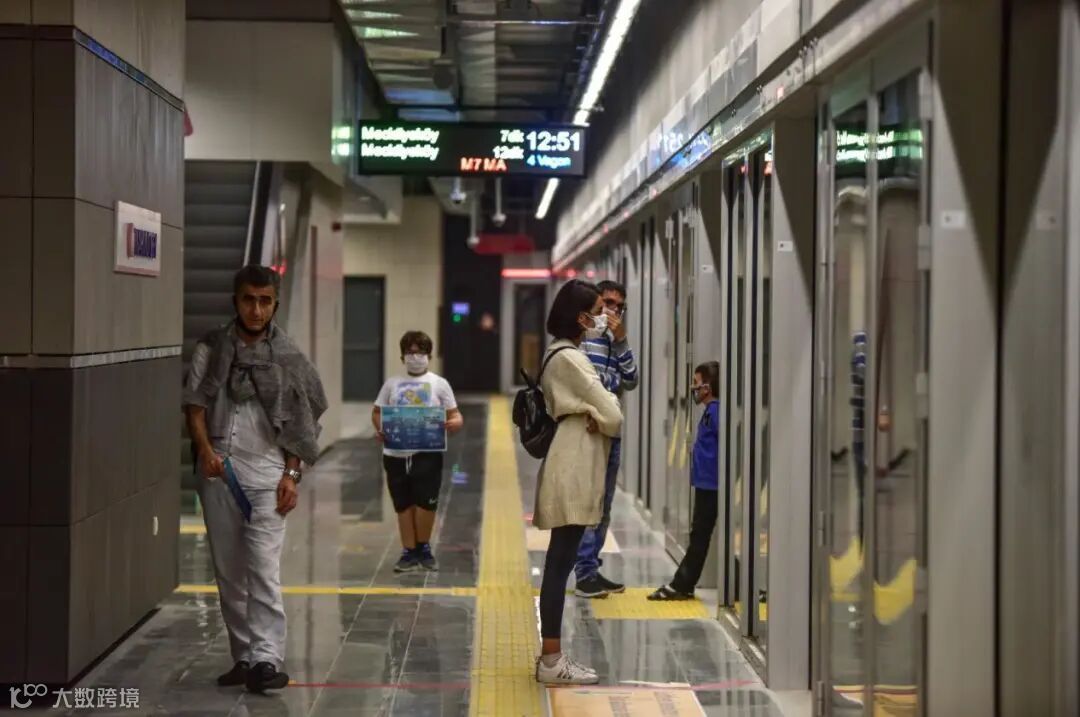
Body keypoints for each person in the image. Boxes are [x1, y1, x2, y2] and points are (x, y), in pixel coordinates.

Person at [183, 265, 327, 693]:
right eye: (249, 299)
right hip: (218, 471)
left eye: (265, 301)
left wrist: (291, 475)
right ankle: (244, 658)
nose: (257, 310)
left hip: (268, 473)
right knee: (229, 573)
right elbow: (194, 406)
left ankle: (267, 659)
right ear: (236, 301)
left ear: (275, 305)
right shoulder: (211, 348)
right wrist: (205, 452)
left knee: (263, 569)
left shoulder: (288, 358)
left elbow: (302, 423)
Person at [534, 279, 623, 684]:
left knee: (560, 561)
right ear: (581, 317)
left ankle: (551, 657)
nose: (605, 317)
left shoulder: (561, 352)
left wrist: (597, 412)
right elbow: (614, 415)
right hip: (572, 464)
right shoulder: (571, 358)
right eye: (598, 310)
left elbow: (603, 411)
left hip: (570, 459)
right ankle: (551, 660)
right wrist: (601, 411)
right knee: (560, 563)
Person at [372, 331, 463, 573]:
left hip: (428, 453)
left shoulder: (439, 384)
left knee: (426, 502)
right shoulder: (391, 384)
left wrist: (455, 423)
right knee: (402, 503)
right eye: (410, 352)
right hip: (395, 455)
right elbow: (377, 412)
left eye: (420, 352)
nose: (415, 357)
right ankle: (408, 551)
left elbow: (455, 414)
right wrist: (381, 429)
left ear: (429, 356)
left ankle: (423, 548)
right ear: (402, 356)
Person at [573, 280, 639, 599]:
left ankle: (591, 566)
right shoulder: (580, 340)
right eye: (608, 303)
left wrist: (622, 341)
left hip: (612, 431)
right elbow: (580, 382)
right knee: (588, 502)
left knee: (604, 504)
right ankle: (584, 572)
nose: (613, 311)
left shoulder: (616, 341)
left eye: (619, 306)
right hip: (588, 431)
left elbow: (632, 379)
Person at [648, 361, 720, 601]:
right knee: (699, 534)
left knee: (699, 535)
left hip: (712, 484)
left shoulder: (716, 413)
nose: (693, 388)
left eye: (696, 383)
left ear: (707, 388)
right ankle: (684, 583)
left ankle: (682, 584)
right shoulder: (711, 412)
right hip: (706, 483)